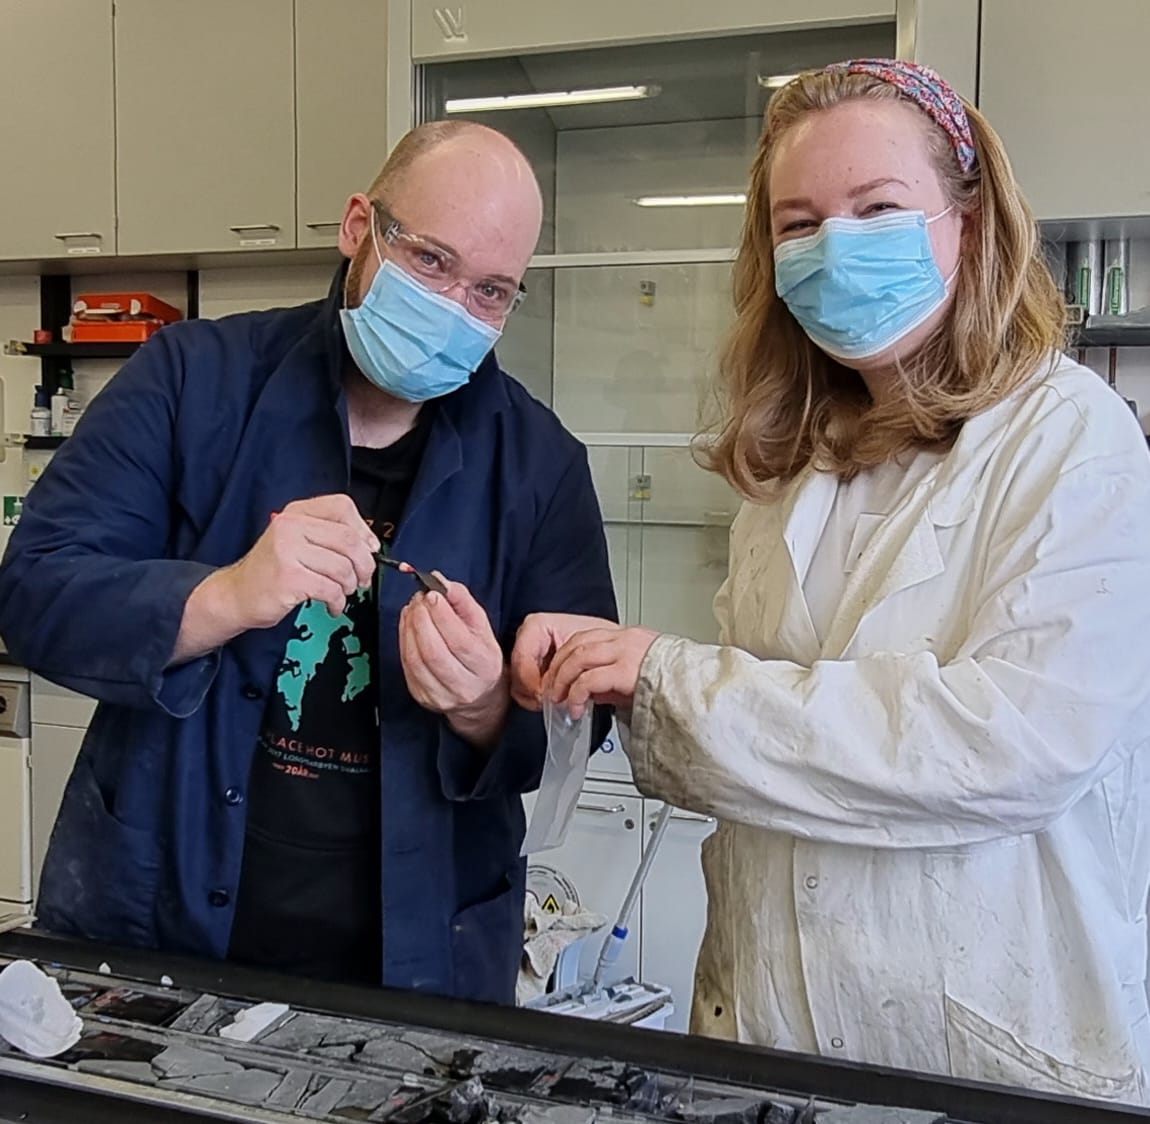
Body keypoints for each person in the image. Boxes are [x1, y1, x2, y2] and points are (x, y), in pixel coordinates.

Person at [511, 60, 1150, 1101]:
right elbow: (764, 732)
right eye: (798, 223)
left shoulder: (1069, 439)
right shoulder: (797, 463)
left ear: (970, 220)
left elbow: (1012, 743)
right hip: (771, 1022)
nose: (833, 249)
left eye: (878, 209)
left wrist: (673, 681)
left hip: (980, 1044)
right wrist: (619, 683)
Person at [0, 120, 615, 1003]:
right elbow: (32, 591)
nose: (453, 309)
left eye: (490, 291)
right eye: (432, 262)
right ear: (359, 228)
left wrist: (484, 706)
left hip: (420, 959)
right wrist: (224, 595)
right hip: (156, 921)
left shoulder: (541, 465)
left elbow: (579, 724)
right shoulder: (190, 380)